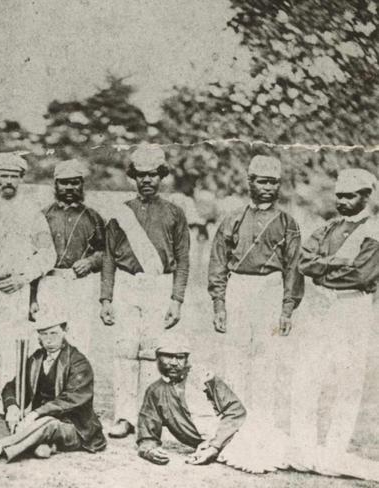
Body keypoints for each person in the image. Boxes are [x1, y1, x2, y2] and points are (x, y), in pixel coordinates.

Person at [136, 336, 379, 481]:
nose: (175, 363)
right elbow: (147, 432)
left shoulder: (203, 378)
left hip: (244, 434)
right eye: (169, 357)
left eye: (181, 357)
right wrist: (149, 451)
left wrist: (213, 446)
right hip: (224, 448)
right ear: (158, 358)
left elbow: (236, 411)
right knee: (305, 459)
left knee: (307, 457)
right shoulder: (155, 392)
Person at [100, 144, 190, 438]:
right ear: (134, 177)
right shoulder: (120, 213)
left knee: (154, 354)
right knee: (125, 352)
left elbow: (183, 259)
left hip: (159, 285)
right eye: (141, 175)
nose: (147, 181)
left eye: (153, 175)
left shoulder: (175, 213)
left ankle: (149, 417)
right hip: (128, 283)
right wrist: (106, 298)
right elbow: (110, 257)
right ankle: (124, 416)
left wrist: (176, 299)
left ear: (161, 176)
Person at [207, 155, 304, 421]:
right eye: (263, 182)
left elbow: (294, 268)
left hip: (270, 289)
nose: (269, 188)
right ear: (250, 182)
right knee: (235, 354)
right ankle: (234, 421)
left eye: (274, 183)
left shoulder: (287, 223)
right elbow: (218, 263)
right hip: (238, 286)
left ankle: (261, 424)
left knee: (266, 357)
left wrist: (287, 309)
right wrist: (219, 304)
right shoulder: (233, 219)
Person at [291, 168, 379, 453]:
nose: (342, 201)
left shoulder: (373, 231)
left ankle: (334, 449)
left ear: (366, 197)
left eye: (350, 196)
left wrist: (322, 269)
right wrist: (334, 263)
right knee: (308, 372)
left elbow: (362, 275)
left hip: (353, 306)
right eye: (339, 195)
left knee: (348, 378)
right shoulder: (328, 227)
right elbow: (303, 261)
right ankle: (303, 446)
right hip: (323, 307)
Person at [0, 152, 56, 409]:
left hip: (13, 288)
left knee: (11, 347)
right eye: (3, 175)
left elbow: (48, 254)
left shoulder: (31, 212)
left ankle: (10, 407)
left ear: (21, 179)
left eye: (14, 176)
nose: (8, 181)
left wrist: (23, 278)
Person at [0, 307, 106, 462]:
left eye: (53, 333)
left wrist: (35, 414)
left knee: (48, 423)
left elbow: (72, 398)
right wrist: (12, 407)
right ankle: (33, 444)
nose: (48, 339)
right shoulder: (37, 358)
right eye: (43, 333)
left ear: (65, 330)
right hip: (34, 424)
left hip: (74, 428)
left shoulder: (78, 362)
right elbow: (13, 386)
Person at [30, 158, 105, 356]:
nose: (69, 187)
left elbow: (108, 252)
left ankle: (76, 385)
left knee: (80, 337)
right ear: (55, 184)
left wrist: (91, 261)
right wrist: (32, 298)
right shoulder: (42, 215)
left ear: (82, 184)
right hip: (48, 283)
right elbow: (30, 256)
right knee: (48, 337)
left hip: (79, 284)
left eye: (75, 182)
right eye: (64, 182)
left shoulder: (93, 217)